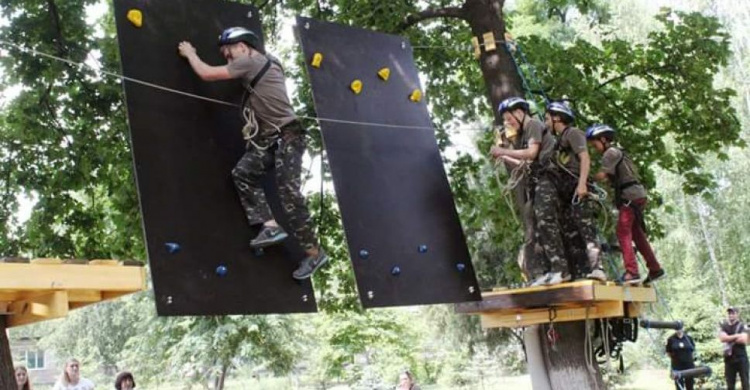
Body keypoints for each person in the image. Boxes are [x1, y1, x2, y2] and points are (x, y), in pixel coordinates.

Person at [177, 27, 327, 279]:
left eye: (229, 51)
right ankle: (269, 226)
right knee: (243, 173)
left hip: (288, 135)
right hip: (270, 139)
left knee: (289, 193)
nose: (227, 57)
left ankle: (314, 254)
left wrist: (190, 53)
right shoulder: (267, 63)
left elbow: (206, 73)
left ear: (244, 47)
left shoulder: (251, 61)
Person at [491, 97, 568, 286]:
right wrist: (506, 158)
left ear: (519, 113)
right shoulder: (524, 134)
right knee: (532, 224)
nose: (507, 123)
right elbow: (525, 163)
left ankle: (561, 269)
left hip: (548, 178)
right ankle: (542, 271)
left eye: (509, 118)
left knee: (545, 220)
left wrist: (503, 152)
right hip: (536, 180)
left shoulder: (533, 124)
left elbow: (532, 154)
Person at [586, 124, 665, 285]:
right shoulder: (619, 153)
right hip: (636, 194)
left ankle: (632, 271)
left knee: (622, 232)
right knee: (637, 235)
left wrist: (586, 179)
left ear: (603, 139)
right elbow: (611, 178)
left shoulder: (610, 152)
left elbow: (602, 175)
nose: (595, 148)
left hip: (630, 196)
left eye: (595, 144)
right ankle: (655, 268)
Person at [545, 101, 605, 281]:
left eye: (547, 118)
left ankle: (598, 268)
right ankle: (580, 271)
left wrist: (582, 184)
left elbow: (585, 158)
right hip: (564, 187)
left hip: (576, 183)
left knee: (585, 227)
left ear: (557, 118)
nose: (546, 122)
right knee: (571, 231)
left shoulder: (573, 133)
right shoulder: (558, 141)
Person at [719, 307, 749, 390]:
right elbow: (722, 338)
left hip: (741, 358)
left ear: (737, 314)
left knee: (745, 383)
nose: (731, 315)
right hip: (729, 359)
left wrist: (728, 337)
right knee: (730, 384)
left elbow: (743, 340)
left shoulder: (742, 325)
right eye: (729, 313)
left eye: (733, 313)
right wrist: (737, 336)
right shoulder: (724, 326)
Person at [666, 323, 696, 390]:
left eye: (680, 328)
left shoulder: (689, 338)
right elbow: (668, 352)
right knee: (679, 386)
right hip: (677, 366)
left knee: (690, 385)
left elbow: (693, 350)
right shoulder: (671, 339)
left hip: (689, 365)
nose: (679, 330)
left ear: (683, 328)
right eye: (677, 329)